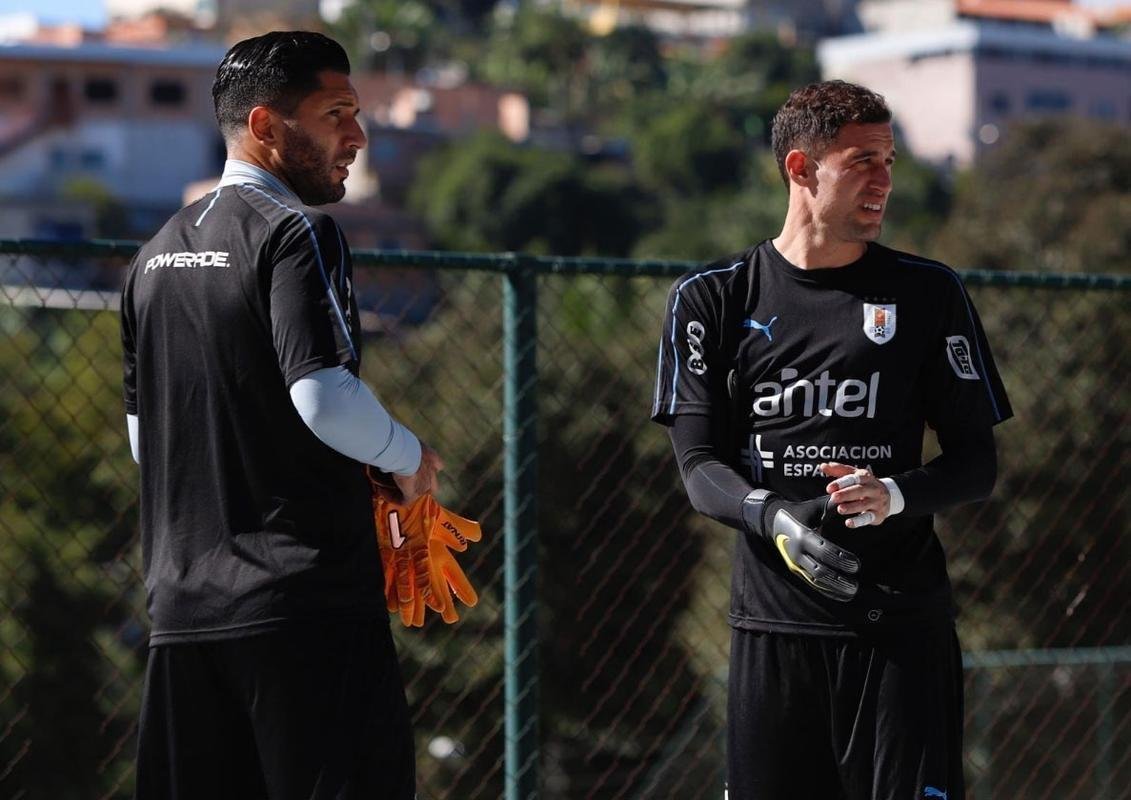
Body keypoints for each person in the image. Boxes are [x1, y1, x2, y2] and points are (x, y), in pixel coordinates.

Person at [651, 80, 1012, 800]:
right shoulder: (713, 298)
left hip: (900, 634)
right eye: (861, 161)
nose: (882, 180)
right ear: (799, 168)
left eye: (888, 160)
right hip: (772, 633)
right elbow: (698, 466)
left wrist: (894, 495)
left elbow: (977, 462)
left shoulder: (927, 293)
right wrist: (773, 516)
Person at [120, 31, 441, 799]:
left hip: (181, 615)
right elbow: (322, 395)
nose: (357, 136)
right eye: (336, 114)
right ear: (266, 127)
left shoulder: (152, 258)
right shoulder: (294, 231)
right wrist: (408, 460)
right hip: (303, 612)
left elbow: (144, 443)